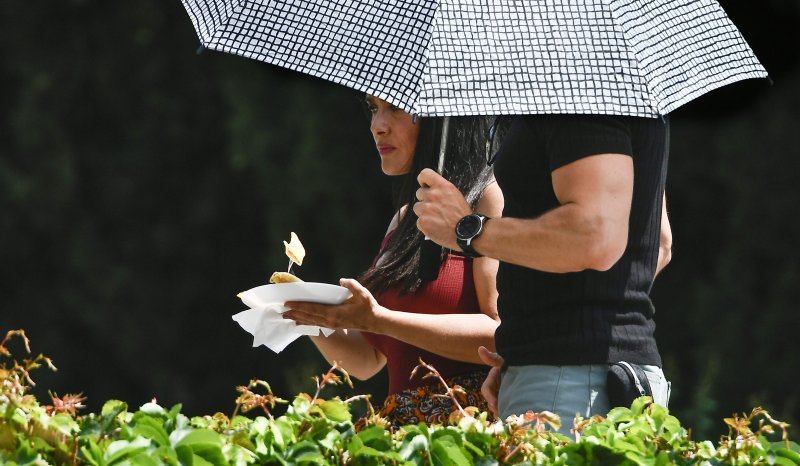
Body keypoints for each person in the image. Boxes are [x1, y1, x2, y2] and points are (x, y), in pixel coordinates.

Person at [413, 114, 672, 434]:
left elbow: (593, 238)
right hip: (592, 377)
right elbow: (658, 244)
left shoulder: (574, 87)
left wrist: (467, 230)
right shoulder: (615, 85)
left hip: (571, 385)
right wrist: (528, 342)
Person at [282, 95, 504, 428]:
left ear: (441, 116)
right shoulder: (403, 220)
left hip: (464, 436)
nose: (377, 126)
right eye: (373, 109)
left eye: (395, 108)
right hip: (399, 435)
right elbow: (368, 359)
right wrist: (306, 315)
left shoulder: (487, 198)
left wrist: (381, 319)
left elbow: (500, 336)